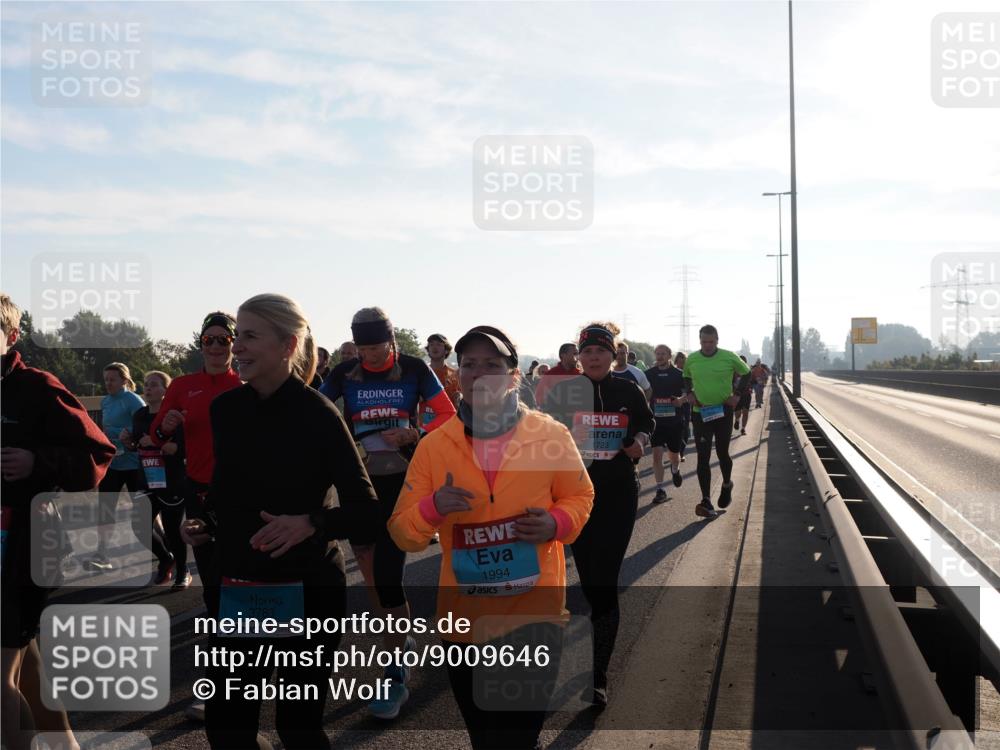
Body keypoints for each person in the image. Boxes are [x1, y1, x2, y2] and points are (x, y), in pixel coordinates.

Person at [186, 293, 381, 749]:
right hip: (239, 587)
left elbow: (367, 512)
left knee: (298, 728)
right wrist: (203, 523)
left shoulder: (319, 413)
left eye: (250, 336)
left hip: (307, 590)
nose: (237, 348)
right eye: (238, 337)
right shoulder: (225, 410)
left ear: (288, 345)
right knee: (227, 726)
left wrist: (310, 522)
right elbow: (229, 496)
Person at [389, 325, 594, 749]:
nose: (479, 373)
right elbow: (402, 532)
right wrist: (433, 509)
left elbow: (581, 495)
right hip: (464, 621)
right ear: (458, 374)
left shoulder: (549, 435)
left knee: (518, 738)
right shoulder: (434, 446)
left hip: (532, 615)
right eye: (469, 365)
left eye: (493, 365)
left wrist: (556, 523)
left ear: (514, 376)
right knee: (485, 738)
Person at [319, 307, 457, 720]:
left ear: (391, 342)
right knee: (372, 572)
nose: (369, 356)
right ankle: (398, 637)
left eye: (376, 348)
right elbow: (315, 409)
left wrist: (416, 433)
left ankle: (394, 674)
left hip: (403, 483)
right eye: (362, 348)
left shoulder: (414, 368)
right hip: (359, 484)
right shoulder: (345, 373)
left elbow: (447, 414)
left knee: (390, 575)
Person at [1, 294, 115, 750]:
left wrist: (38, 461)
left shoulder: (38, 386)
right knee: (22, 662)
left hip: (23, 542)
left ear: (10, 336)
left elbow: (98, 456)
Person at [542, 322, 654, 708]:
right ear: (578, 355)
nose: (593, 358)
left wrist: (639, 441)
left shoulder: (627, 388)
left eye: (601, 352)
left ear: (613, 354)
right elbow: (545, 434)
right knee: (589, 582)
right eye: (587, 352)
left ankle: (599, 676)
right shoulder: (562, 392)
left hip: (618, 494)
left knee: (604, 583)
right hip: (573, 498)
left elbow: (646, 422)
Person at [152, 311, 243, 721]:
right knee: (214, 594)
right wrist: (166, 426)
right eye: (209, 340)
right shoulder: (184, 387)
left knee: (245, 585)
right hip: (200, 497)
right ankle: (215, 688)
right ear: (200, 344)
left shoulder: (246, 384)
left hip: (244, 497)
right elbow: (153, 435)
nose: (216, 346)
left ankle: (253, 677)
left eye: (224, 340)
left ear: (234, 344)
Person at [85, 363, 167, 574]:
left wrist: (128, 436)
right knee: (106, 509)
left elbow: (144, 425)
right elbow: (106, 428)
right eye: (106, 380)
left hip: (134, 465)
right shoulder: (105, 401)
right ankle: (102, 555)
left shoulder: (133, 400)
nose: (108, 383)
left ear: (124, 380)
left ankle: (165, 546)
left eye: (112, 379)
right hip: (114, 463)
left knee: (144, 511)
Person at [124, 371, 190, 589]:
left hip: (171, 479)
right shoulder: (140, 415)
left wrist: (156, 442)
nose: (148, 388)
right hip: (146, 477)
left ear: (166, 391)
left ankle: (183, 570)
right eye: (146, 384)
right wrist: (128, 442)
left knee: (173, 530)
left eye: (154, 385)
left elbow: (180, 450)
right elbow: (136, 446)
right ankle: (165, 558)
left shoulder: (173, 417)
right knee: (139, 525)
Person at [681, 325, 751, 519]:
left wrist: (736, 395)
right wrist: (689, 393)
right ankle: (706, 500)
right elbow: (686, 376)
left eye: (711, 342)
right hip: (700, 412)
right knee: (703, 456)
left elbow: (746, 373)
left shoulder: (729, 356)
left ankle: (727, 484)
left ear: (717, 340)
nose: (708, 345)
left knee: (722, 452)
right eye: (704, 342)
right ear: (700, 341)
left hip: (723, 411)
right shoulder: (692, 359)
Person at [644, 345, 685, 503]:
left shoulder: (678, 374)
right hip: (656, 422)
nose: (659, 356)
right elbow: (641, 392)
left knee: (674, 456)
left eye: (663, 354)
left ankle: (675, 469)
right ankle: (660, 489)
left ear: (669, 355)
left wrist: (681, 400)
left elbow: (688, 392)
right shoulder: (649, 374)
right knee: (656, 455)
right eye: (657, 354)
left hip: (674, 422)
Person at [535, 342, 581, 407]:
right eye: (574, 354)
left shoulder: (581, 374)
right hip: (556, 415)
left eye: (577, 354)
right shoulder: (551, 374)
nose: (577, 357)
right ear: (563, 355)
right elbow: (539, 397)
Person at [732, 355, 752, 436]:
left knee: (745, 412)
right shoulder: (734, 372)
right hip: (737, 395)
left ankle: (743, 428)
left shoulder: (748, 371)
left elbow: (753, 380)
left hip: (746, 395)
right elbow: (730, 382)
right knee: (738, 412)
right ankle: (737, 420)